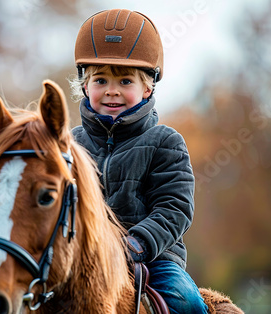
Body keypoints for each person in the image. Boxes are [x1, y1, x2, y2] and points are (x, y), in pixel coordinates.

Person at [70, 9, 208, 314]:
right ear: (85, 86)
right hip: (81, 259)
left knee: (187, 302)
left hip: (151, 259)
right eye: (101, 79)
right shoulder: (71, 144)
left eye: (125, 80)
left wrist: (137, 244)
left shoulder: (166, 142)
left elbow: (175, 208)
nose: (112, 91)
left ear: (148, 88)